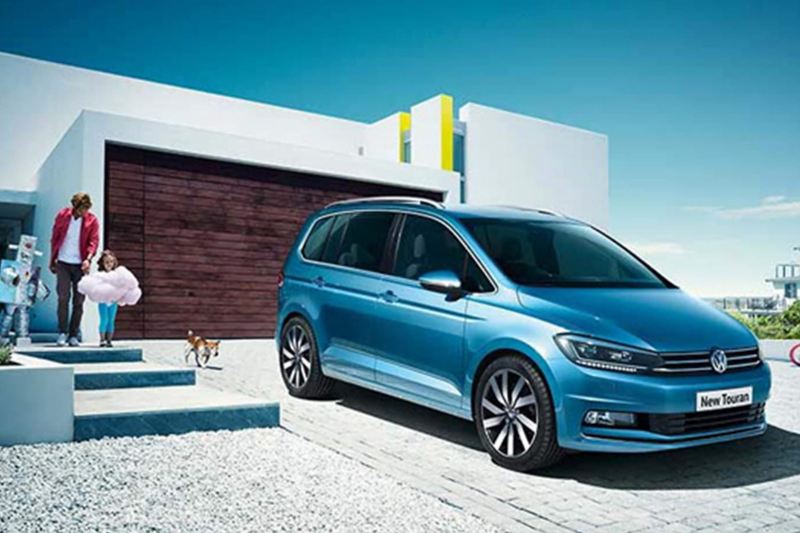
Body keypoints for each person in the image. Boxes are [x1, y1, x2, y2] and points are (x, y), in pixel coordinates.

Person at [50, 192, 100, 347]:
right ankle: (62, 333)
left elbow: (94, 241)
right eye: (82, 209)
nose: (85, 212)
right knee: (63, 297)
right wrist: (52, 260)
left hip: (80, 264)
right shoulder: (62, 215)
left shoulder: (92, 220)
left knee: (79, 301)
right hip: (63, 263)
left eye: (87, 208)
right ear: (75, 207)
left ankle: (73, 334)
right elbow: (55, 238)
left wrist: (88, 259)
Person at [78, 250, 141, 347]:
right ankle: (102, 340)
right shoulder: (99, 275)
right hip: (103, 301)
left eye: (111, 262)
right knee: (104, 319)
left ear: (114, 262)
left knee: (111, 320)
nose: (109, 264)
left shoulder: (117, 275)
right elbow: (95, 287)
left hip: (113, 302)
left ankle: (109, 340)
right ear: (102, 263)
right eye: (107, 262)